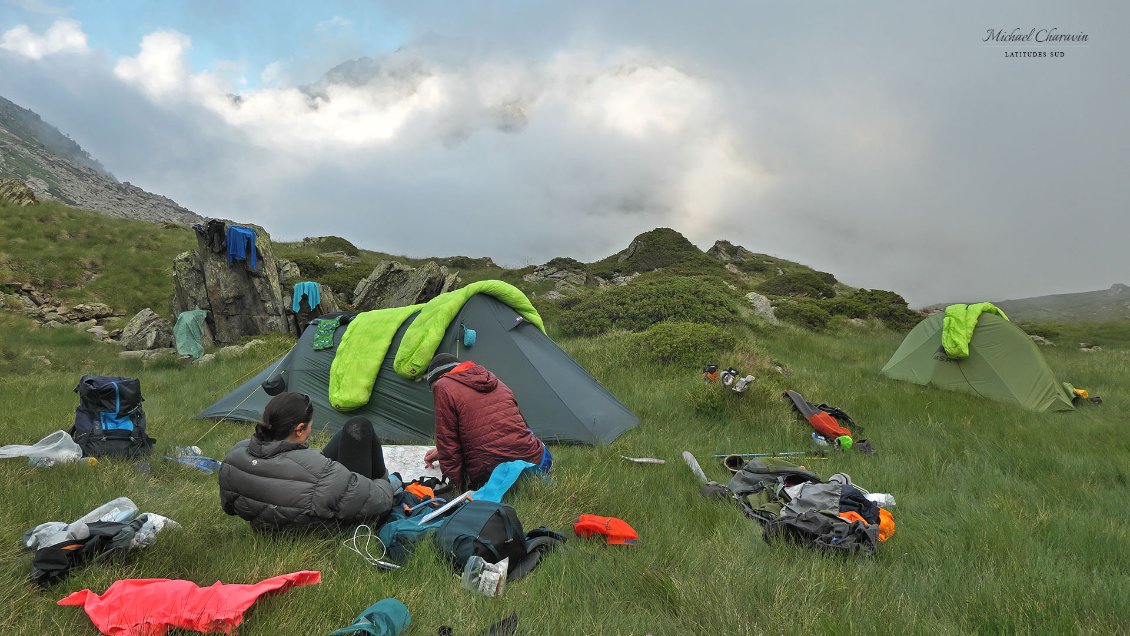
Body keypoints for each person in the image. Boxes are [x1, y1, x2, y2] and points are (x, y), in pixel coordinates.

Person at [219, 392, 395, 532]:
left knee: (351, 429)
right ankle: (381, 478)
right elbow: (379, 503)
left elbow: (229, 507)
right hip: (327, 529)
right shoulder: (320, 473)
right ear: (299, 429)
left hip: (271, 527)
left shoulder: (236, 456)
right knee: (360, 425)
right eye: (310, 425)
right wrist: (386, 483)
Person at [422, 353, 551, 490]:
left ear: (439, 378)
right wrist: (440, 451)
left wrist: (454, 489)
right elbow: (518, 427)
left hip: (493, 472)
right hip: (535, 459)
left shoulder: (443, 385)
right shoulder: (494, 379)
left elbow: (449, 445)